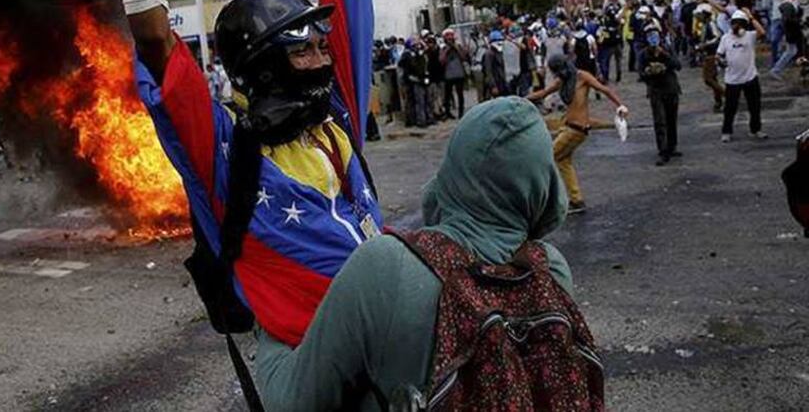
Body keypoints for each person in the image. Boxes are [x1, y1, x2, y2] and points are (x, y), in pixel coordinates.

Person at [100, 0, 383, 352]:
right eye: (304, 50)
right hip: (307, 354)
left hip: (384, 328)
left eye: (323, 48)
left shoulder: (334, 119)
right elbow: (157, 41)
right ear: (264, 67)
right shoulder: (225, 149)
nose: (324, 61)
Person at [255, 98, 602, 410]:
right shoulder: (550, 272)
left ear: (454, 170)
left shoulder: (385, 267)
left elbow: (292, 403)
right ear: (544, 184)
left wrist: (266, 320)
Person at [527, 56, 628, 214]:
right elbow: (544, 93)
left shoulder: (582, 77)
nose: (556, 76)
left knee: (547, 159)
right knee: (563, 161)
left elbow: (604, 89)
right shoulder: (563, 80)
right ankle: (576, 200)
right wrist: (521, 99)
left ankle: (543, 201)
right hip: (569, 127)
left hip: (576, 129)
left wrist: (621, 105)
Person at [716, 9, 768, 143]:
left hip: (750, 77)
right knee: (730, 108)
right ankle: (726, 132)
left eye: (740, 24)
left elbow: (762, 32)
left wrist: (751, 17)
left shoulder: (749, 36)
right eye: (734, 24)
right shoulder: (726, 38)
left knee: (754, 106)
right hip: (732, 80)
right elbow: (719, 55)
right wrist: (721, 61)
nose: (736, 27)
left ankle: (756, 129)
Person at [638, 23, 682, 165]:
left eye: (655, 34)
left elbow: (678, 65)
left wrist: (664, 55)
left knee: (671, 119)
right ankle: (663, 150)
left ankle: (672, 146)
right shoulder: (643, 54)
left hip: (671, 88)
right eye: (650, 35)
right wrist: (649, 72)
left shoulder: (667, 49)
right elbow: (641, 74)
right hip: (655, 90)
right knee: (660, 121)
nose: (653, 38)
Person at [694, 4, 725, 113]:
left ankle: (725, 95)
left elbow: (717, 38)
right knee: (712, 78)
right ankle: (718, 101)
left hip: (712, 54)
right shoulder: (705, 25)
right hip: (708, 54)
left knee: (709, 79)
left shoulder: (711, 24)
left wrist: (705, 45)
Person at [440, 29, 468, 118]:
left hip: (459, 74)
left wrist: (456, 48)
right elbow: (441, 61)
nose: (450, 40)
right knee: (447, 95)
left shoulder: (458, 46)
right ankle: (448, 112)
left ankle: (461, 112)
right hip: (448, 75)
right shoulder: (443, 48)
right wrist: (447, 50)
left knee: (460, 94)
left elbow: (463, 57)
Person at [482, 30, 508, 100]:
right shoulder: (489, 54)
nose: (500, 42)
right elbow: (488, 71)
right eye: (497, 40)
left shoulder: (500, 52)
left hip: (503, 83)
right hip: (496, 83)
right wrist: (493, 86)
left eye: (500, 40)